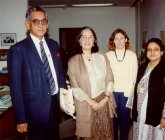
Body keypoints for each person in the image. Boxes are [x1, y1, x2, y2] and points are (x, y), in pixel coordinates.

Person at [8, 6, 66, 140]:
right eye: (36, 21)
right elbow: (15, 88)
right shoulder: (18, 50)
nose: (41, 25)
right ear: (27, 24)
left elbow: (59, 74)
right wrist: (20, 118)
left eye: (44, 21)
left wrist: (64, 101)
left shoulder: (54, 45)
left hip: (54, 105)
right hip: (32, 111)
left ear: (48, 23)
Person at [67, 26, 116, 140]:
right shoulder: (73, 61)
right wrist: (92, 103)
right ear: (79, 41)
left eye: (90, 37)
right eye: (84, 37)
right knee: (87, 135)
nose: (87, 39)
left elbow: (110, 79)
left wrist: (105, 98)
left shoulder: (102, 57)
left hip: (104, 102)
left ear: (94, 41)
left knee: (105, 134)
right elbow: (75, 88)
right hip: (85, 103)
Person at [126, 38, 165, 140]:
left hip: (156, 113)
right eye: (149, 50)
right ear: (146, 53)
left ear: (162, 52)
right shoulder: (142, 67)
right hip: (140, 111)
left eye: (156, 49)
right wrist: (133, 107)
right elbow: (134, 87)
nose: (152, 52)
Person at [106, 28, 138, 140]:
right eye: (116, 39)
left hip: (126, 94)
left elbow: (134, 77)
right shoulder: (107, 55)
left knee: (125, 123)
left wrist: (131, 96)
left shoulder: (132, 55)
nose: (119, 41)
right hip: (112, 93)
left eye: (121, 38)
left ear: (126, 40)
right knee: (113, 122)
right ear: (113, 41)